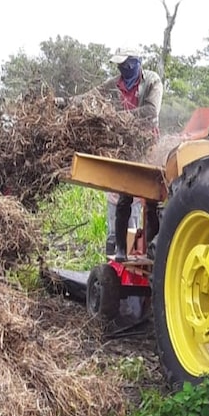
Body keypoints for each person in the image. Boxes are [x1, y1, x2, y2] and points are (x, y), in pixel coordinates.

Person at [79, 48, 164, 261]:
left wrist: (118, 117)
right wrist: (63, 102)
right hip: (126, 145)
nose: (122, 69)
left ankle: (150, 250)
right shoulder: (115, 84)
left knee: (151, 198)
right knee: (124, 195)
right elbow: (90, 96)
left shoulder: (152, 81)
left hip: (147, 144)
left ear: (136, 63)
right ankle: (120, 250)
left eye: (126, 65)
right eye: (119, 65)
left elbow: (150, 112)